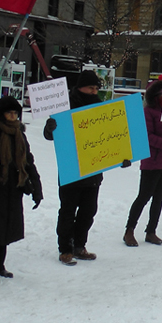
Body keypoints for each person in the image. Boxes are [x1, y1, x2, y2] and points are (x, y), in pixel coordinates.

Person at [0, 96, 42, 284]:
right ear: (1, 114)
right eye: (9, 113)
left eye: (15, 113)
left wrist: (36, 185)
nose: (12, 116)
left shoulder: (19, 134)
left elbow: (27, 160)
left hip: (13, 188)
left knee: (6, 227)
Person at [44, 70, 109, 265]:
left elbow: (111, 138)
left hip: (94, 169)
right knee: (68, 211)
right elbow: (48, 136)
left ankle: (79, 246)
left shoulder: (101, 109)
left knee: (89, 210)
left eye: (96, 88)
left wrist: (123, 156)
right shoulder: (65, 106)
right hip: (71, 169)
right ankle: (65, 248)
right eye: (90, 87)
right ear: (80, 87)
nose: (93, 91)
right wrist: (50, 127)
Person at [123, 80, 162, 246]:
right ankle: (129, 230)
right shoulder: (148, 112)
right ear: (155, 97)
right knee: (144, 196)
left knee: (159, 198)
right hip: (152, 162)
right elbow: (147, 137)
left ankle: (151, 231)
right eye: (161, 95)